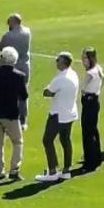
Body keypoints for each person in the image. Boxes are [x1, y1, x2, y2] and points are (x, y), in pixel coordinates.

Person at [0, 47, 29, 180]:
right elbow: (23, 96)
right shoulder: (19, 76)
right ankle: (14, 170)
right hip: (11, 114)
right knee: (17, 142)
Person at [37, 52, 79, 182]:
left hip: (58, 114)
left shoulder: (60, 79)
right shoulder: (73, 74)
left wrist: (49, 91)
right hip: (70, 113)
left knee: (47, 140)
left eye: (58, 60)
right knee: (65, 140)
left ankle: (52, 171)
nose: (56, 61)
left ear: (64, 62)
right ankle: (66, 170)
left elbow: (47, 92)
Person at [0, 13, 32, 127]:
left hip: (13, 68)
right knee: (23, 94)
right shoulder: (27, 32)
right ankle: (23, 121)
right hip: (25, 66)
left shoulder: (8, 36)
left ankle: (10, 119)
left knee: (10, 93)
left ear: (13, 22)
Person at [80, 47, 104, 172]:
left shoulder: (89, 73)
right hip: (95, 100)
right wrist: (98, 89)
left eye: (85, 58)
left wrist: (86, 92)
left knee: (87, 133)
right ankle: (97, 157)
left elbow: (82, 88)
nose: (83, 60)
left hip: (88, 101)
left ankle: (89, 162)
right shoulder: (98, 68)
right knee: (93, 130)